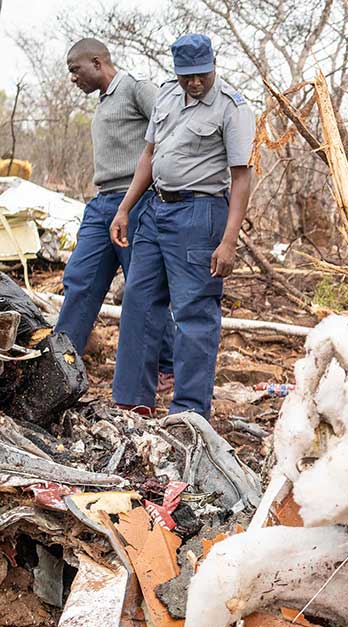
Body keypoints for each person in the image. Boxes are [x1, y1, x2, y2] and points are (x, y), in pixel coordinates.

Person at [111, 34, 254, 418]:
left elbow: (241, 178)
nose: (194, 83)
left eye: (201, 75)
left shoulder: (232, 107)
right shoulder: (166, 96)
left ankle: (188, 412)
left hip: (200, 214)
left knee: (193, 313)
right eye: (186, 75)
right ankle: (131, 401)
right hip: (155, 210)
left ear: (213, 65)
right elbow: (149, 155)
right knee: (139, 303)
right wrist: (125, 208)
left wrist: (228, 242)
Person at [58, 38, 175, 391]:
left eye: (75, 70)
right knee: (79, 279)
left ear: (97, 62)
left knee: (142, 289)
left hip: (136, 202)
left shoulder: (138, 90)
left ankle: (167, 366)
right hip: (101, 204)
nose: (73, 78)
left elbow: (170, 130)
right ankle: (64, 362)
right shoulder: (103, 103)